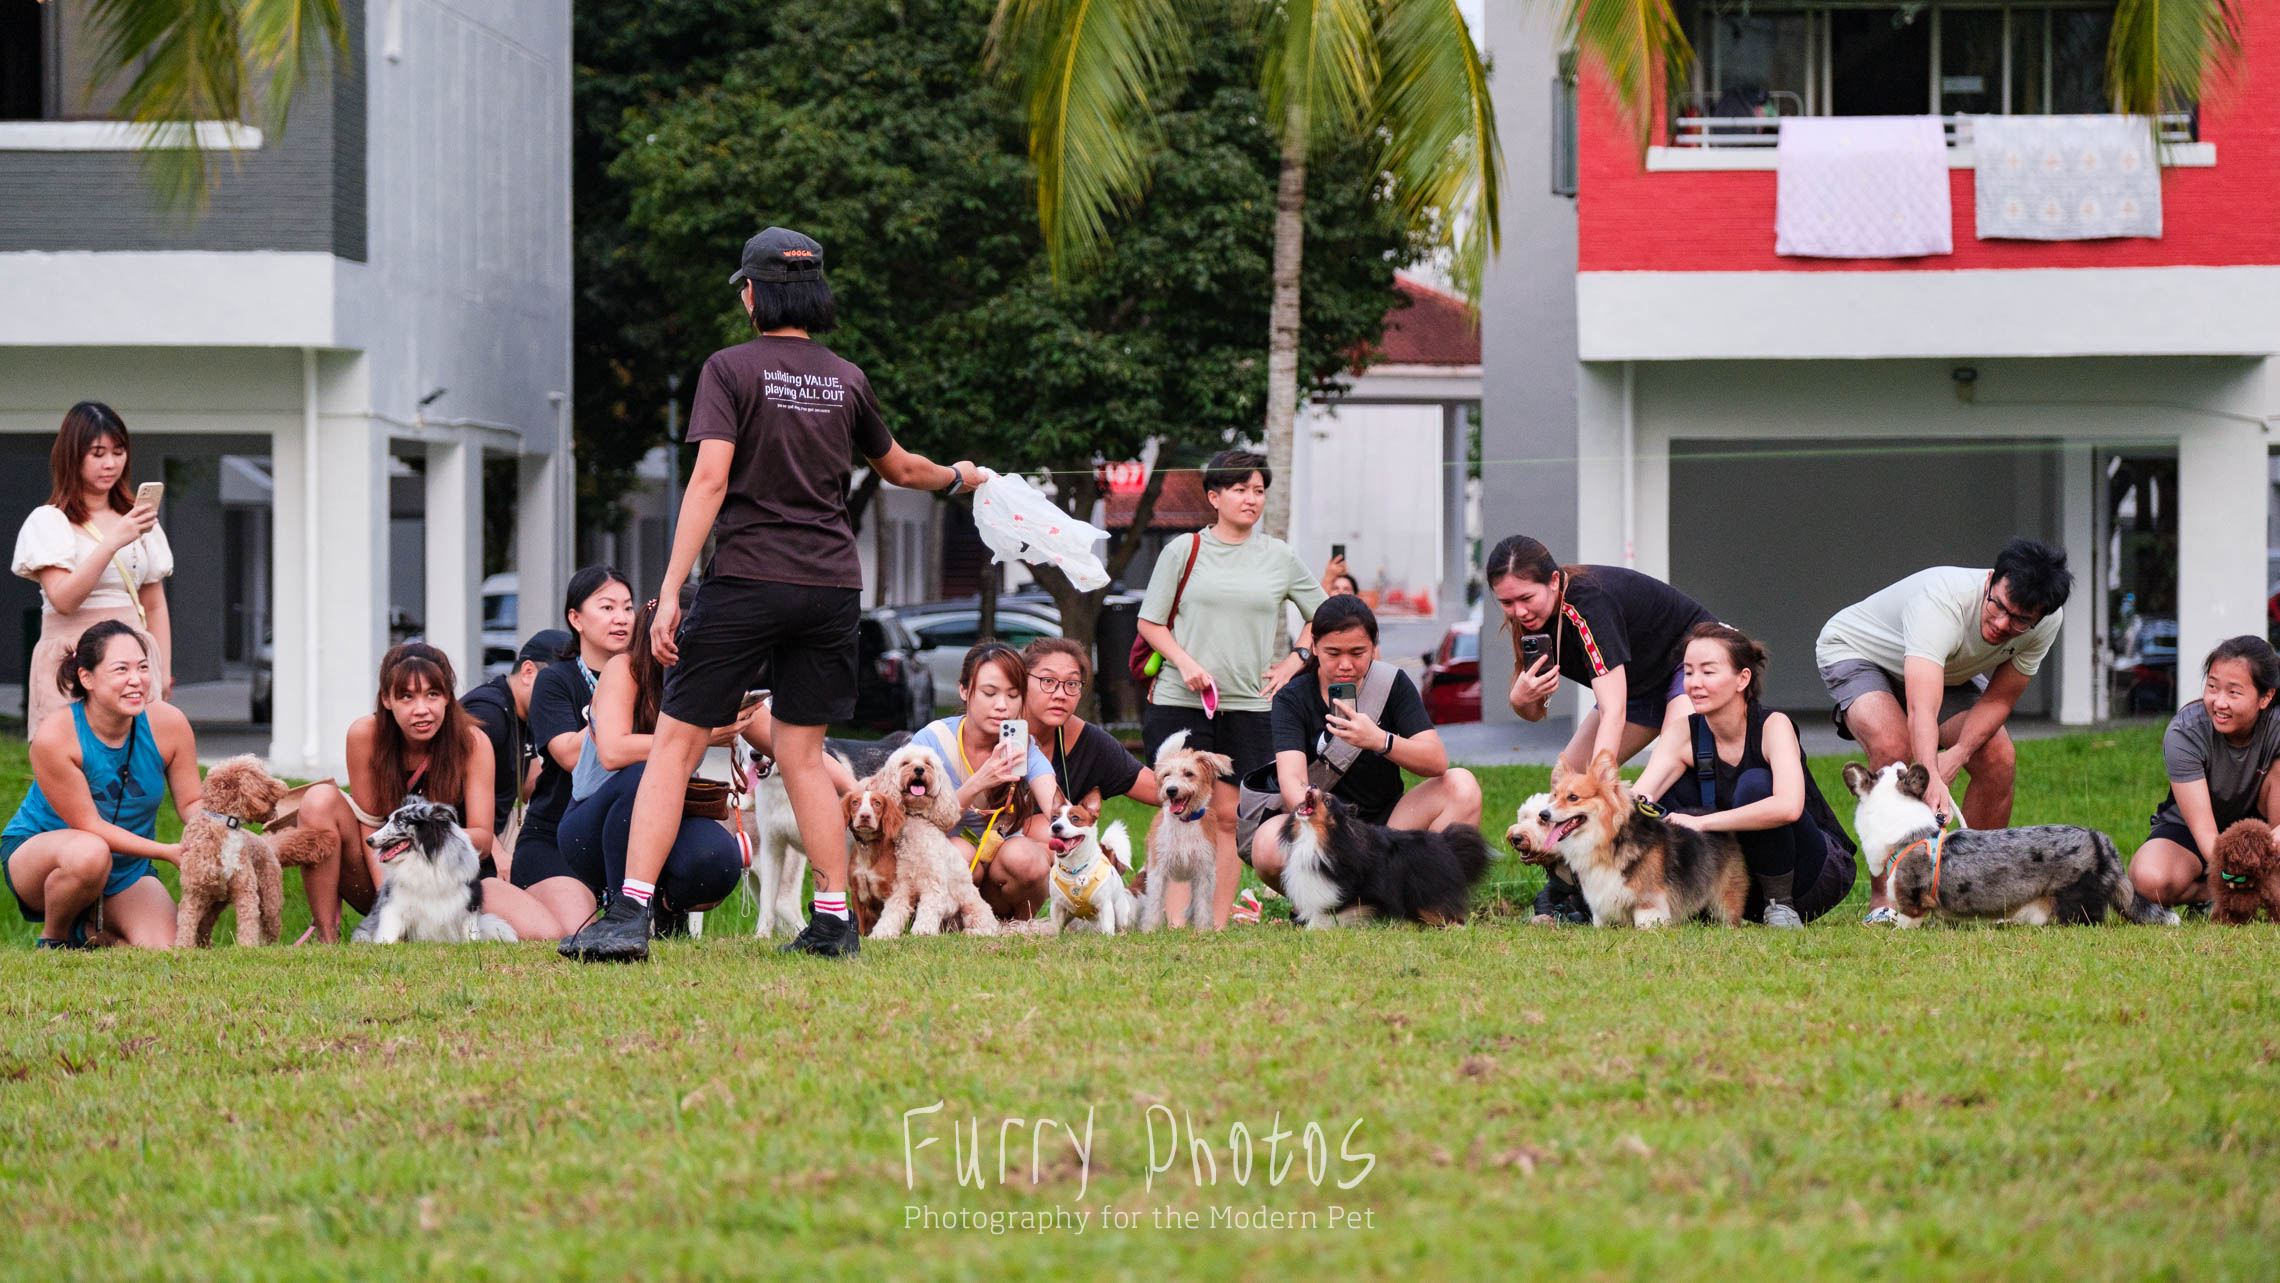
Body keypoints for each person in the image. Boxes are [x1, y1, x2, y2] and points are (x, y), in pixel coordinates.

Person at [560, 226, 994, 962]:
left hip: (749, 579)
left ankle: (628, 914)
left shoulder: (729, 369)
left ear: (755, 293)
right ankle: (832, 920)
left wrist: (667, 592)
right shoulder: (846, 377)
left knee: (675, 741)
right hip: (830, 587)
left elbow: (709, 480)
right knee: (801, 751)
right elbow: (900, 467)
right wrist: (960, 476)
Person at [1816, 537, 2072, 922]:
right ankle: (1888, 900)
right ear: (1991, 580)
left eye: (2019, 620)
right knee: (1894, 748)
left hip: (1947, 670)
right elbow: (1922, 706)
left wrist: (1957, 755)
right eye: (1998, 606)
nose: (2003, 624)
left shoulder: (2046, 622)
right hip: (1860, 652)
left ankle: (1974, 891)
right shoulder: (1942, 599)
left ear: (2039, 616)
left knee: (1999, 757)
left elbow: (1999, 700)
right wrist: (1931, 774)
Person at [1134, 449, 1326, 928]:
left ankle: (1214, 924)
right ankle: (1174, 923)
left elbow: (1324, 616)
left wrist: (1295, 661)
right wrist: (1186, 663)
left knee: (1228, 817)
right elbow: (1150, 621)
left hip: (1251, 704)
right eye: (1240, 489)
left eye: (1258, 490)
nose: (1251, 499)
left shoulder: (1279, 556)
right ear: (1214, 496)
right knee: (1180, 810)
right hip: (1181, 698)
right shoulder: (1184, 550)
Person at [291, 642, 569, 942]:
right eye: (407, 696)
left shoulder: (472, 742)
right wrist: (391, 900)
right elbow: (370, 824)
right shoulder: (366, 735)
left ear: (448, 697)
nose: (421, 709)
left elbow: (483, 840)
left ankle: (438, 927)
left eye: (432, 694)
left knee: (546, 933)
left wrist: (427, 837)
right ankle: (327, 937)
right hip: (386, 872)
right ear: (386, 699)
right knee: (319, 801)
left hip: (454, 878)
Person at [1633, 623, 1860, 928]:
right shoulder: (1682, 733)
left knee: (1755, 785)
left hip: (1811, 877)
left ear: (1742, 679)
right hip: (1734, 883)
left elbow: (1788, 807)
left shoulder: (1772, 725)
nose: (1694, 683)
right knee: (1662, 802)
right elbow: (1635, 802)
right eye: (1688, 672)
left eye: (1708, 672)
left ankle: (1780, 906)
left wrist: (1700, 823)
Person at [1248, 595, 1482, 887]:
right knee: (1267, 845)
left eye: (1357, 652)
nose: (1345, 664)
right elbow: (1292, 781)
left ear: (1373, 647)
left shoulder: (1392, 684)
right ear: (1315, 647)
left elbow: (1436, 761)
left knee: (1462, 785)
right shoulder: (1292, 698)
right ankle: (1320, 900)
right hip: (1326, 824)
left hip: (1388, 827)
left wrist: (1379, 740)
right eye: (1333, 653)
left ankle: (1427, 898)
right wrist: (1324, 822)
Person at [558, 593, 754, 935]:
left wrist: (855, 783)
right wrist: (705, 736)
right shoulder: (625, 668)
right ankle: (622, 911)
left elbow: (790, 744)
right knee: (642, 776)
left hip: (666, 819)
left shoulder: (710, 677)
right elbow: (613, 751)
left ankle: (665, 911)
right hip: (591, 823)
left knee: (719, 860)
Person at [2, 622, 200, 948]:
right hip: (46, 857)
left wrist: (224, 828)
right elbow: (89, 826)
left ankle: (90, 935)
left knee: (168, 950)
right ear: (87, 678)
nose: (136, 679)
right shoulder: (55, 737)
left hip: (126, 867)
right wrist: (168, 852)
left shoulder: (169, 724)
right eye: (121, 669)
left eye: (143, 667)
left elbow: (192, 802)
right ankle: (56, 938)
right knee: (90, 854)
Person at [1487, 535, 1718, 773]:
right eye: (1507, 602)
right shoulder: (1530, 622)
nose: (1519, 611)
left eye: (1526, 598)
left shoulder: (1588, 604)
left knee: (1665, 768)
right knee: (1566, 778)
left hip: (1691, 660)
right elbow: (1535, 713)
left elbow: (1613, 710)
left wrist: (1597, 784)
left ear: (1554, 581)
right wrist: (1519, 700)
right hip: (1641, 686)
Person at [13, 402, 173, 736]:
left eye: (118, 451)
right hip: (72, 661)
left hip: (131, 662)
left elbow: (154, 604)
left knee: (136, 761)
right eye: (97, 453)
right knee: (72, 758)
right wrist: (113, 541)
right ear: (73, 456)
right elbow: (64, 600)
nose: (111, 463)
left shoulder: (138, 521)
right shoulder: (49, 522)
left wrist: (160, 672)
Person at [516, 567, 635, 936]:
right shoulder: (556, 679)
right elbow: (568, 755)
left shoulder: (647, 674)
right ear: (575, 618)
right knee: (576, 928)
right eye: (607, 607)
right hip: (555, 837)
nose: (621, 618)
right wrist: (609, 709)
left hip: (631, 835)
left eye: (628, 608)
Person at [909, 643, 1060, 921]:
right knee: (961, 853)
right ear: (964, 690)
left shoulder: (1020, 744)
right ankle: (947, 922)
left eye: (1013, 695)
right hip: (944, 868)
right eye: (990, 693)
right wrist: (979, 781)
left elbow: (1055, 804)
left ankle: (1016, 924)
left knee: (1029, 856)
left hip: (999, 866)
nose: (1002, 706)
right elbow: (917, 829)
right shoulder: (931, 743)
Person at [2128, 636, 2280, 910]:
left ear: (2266, 697)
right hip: (2196, 832)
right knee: (2148, 880)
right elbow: (2207, 835)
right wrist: (2236, 875)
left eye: (2233, 693)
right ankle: (2214, 895)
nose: (2219, 702)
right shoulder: (2186, 731)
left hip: (2265, 832)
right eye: (2212, 687)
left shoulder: (2276, 724)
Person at [460, 628, 573, 881]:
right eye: (559, 683)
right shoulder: (488, 714)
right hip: (465, 836)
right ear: (528, 672)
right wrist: (498, 856)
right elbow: (457, 803)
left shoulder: (524, 711)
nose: (563, 694)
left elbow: (529, 787)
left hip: (501, 826)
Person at [1021, 637, 1159, 811]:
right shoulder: (993, 729)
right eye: (1048, 681)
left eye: (1071, 683)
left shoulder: (1087, 741)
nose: (1061, 694)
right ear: (1020, 681)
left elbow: (1159, 790)